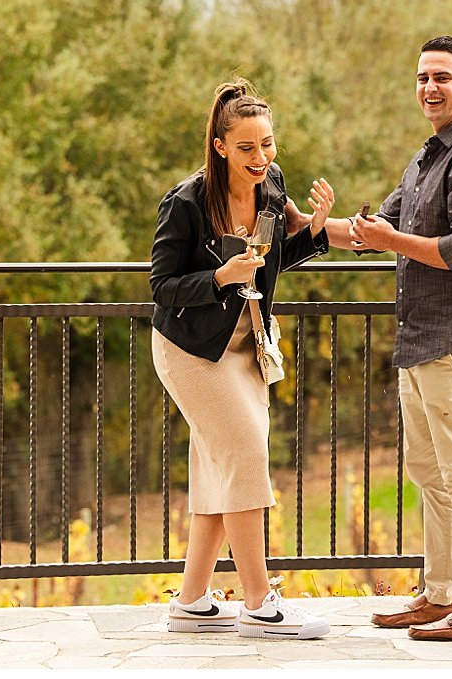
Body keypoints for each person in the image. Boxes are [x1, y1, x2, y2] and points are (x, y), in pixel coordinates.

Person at [289, 35, 452, 641]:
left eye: (442, 77)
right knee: (428, 472)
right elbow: (368, 233)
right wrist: (298, 220)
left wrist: (391, 242)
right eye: (422, 77)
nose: (430, 87)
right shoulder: (426, 159)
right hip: (418, 341)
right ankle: (440, 593)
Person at [150, 78, 335, 640]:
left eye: (269, 145)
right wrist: (218, 278)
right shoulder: (185, 203)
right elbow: (162, 286)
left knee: (218, 470)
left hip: (247, 344)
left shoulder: (272, 186)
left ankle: (192, 601)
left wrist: (319, 228)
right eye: (249, 148)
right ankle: (258, 602)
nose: (263, 158)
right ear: (221, 145)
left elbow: (280, 258)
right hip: (191, 352)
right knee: (247, 458)